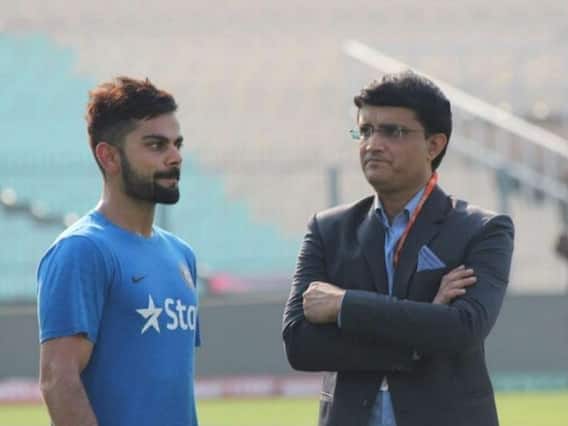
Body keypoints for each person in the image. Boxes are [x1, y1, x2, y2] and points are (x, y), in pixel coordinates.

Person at [282, 71, 514, 426]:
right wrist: (423, 328)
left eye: (393, 132)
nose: (373, 144)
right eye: (365, 131)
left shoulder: (482, 230)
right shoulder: (327, 229)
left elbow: (463, 328)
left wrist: (345, 305)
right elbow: (300, 345)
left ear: (434, 145)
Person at [37, 77, 200, 426]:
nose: (175, 157)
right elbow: (57, 379)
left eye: (177, 144)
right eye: (156, 145)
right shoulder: (82, 250)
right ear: (109, 156)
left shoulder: (182, 255)